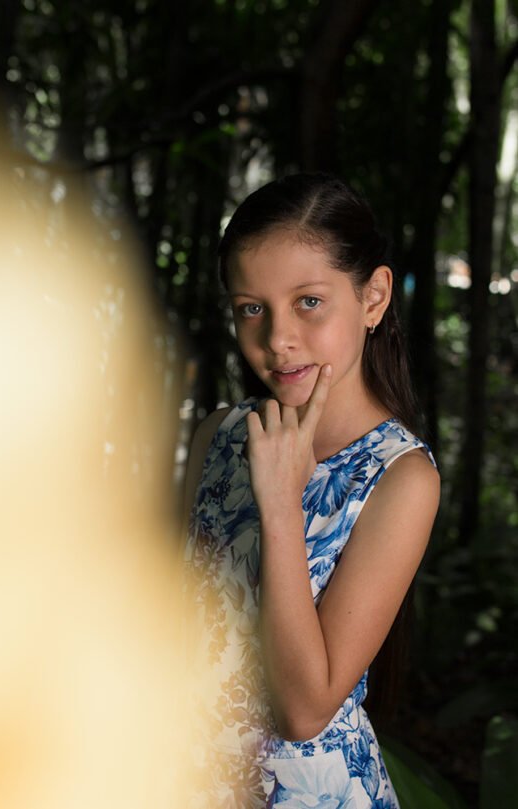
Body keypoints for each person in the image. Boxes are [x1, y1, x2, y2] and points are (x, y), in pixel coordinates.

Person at [183, 173, 440, 808]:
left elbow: (303, 711)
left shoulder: (401, 477)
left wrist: (281, 505)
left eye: (309, 302)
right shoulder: (219, 435)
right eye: (252, 308)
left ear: (374, 297)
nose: (277, 338)